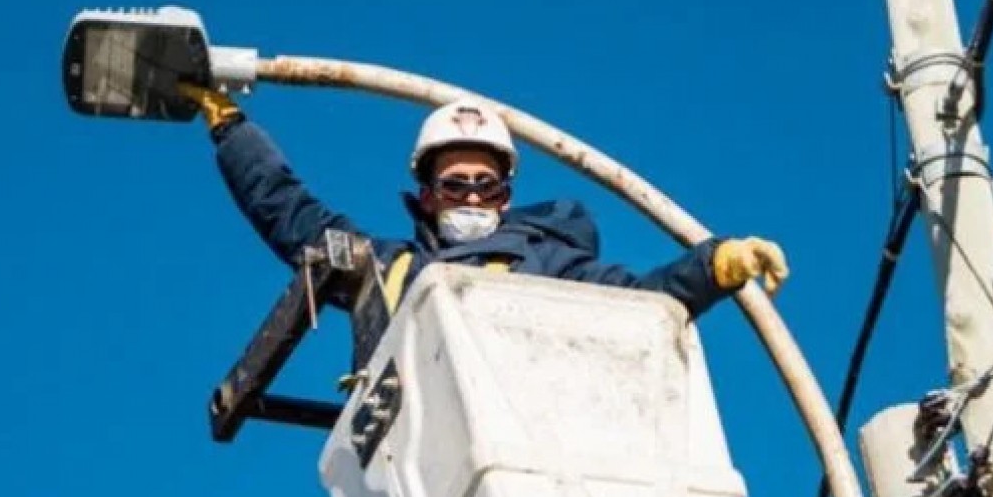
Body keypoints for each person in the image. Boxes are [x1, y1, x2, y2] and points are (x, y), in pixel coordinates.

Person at [176, 84, 789, 318]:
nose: (471, 195)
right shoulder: (396, 271)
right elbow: (295, 218)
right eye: (455, 184)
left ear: (505, 197)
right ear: (425, 196)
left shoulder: (550, 263)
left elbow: (643, 304)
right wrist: (231, 130)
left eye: (485, 185)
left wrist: (713, 265)